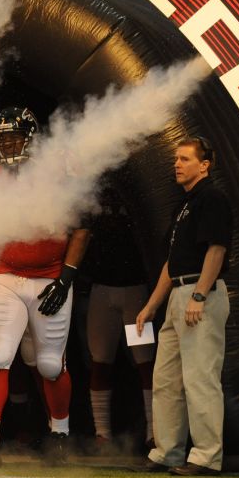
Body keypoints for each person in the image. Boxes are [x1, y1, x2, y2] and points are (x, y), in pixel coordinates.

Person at [0, 108, 90, 466]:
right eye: (2, 138)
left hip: (49, 276)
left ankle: (60, 434)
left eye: (14, 137)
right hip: (5, 274)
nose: (8, 145)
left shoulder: (59, 170)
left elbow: (81, 228)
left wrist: (66, 279)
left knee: (51, 365)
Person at [132, 136, 232, 476]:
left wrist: (200, 295)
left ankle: (206, 456)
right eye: (176, 158)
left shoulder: (212, 198)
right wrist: (150, 306)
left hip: (198, 292)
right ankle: (168, 451)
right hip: (178, 292)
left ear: (203, 165)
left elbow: (216, 250)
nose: (177, 163)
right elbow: (170, 263)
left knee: (200, 378)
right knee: (165, 379)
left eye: (185, 159)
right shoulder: (184, 204)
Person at [79, 176, 155, 453]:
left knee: (145, 362)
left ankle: (154, 430)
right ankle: (102, 434)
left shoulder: (137, 190)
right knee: (100, 362)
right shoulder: (91, 193)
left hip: (135, 289)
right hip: (101, 289)